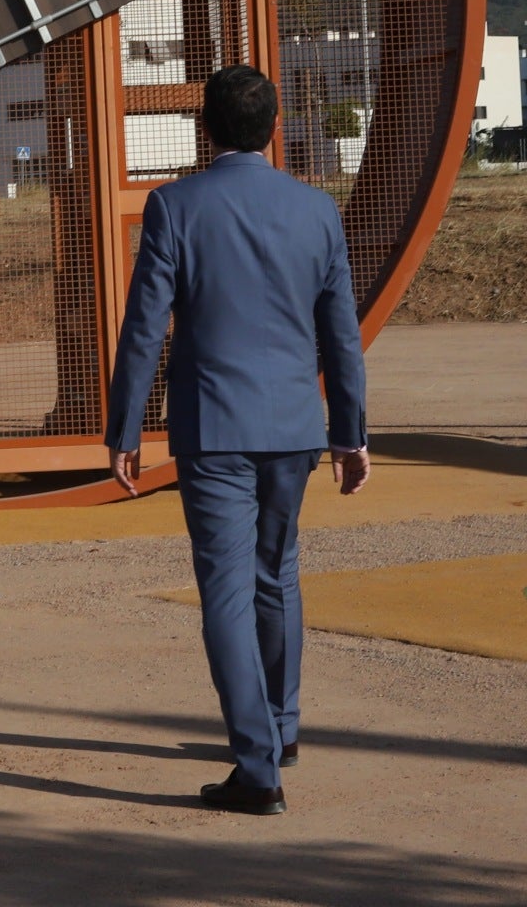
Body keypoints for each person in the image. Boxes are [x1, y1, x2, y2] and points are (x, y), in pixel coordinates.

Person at [105, 64, 369, 816]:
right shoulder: (317, 211)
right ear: (275, 127)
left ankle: (257, 770)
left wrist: (126, 427)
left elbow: (144, 328)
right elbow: (340, 336)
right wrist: (349, 434)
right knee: (276, 574)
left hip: (212, 424)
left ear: (206, 129)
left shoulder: (174, 206)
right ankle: (280, 728)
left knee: (225, 587)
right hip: (293, 425)